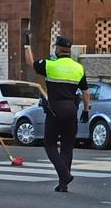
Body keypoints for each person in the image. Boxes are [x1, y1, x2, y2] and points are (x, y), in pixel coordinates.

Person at [24, 36, 90, 192]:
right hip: (72, 110)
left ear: (58, 49)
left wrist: (27, 46)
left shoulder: (50, 64)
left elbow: (29, 63)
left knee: (50, 144)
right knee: (67, 146)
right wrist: (86, 111)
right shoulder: (78, 68)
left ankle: (64, 174)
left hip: (55, 110)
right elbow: (86, 93)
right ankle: (63, 184)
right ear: (69, 50)